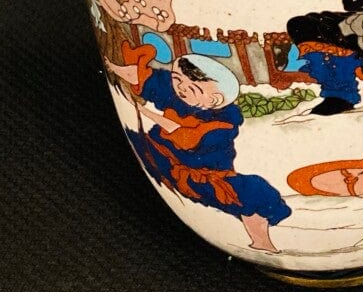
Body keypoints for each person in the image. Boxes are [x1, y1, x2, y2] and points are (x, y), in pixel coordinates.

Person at [105, 43, 290, 254]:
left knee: (251, 193)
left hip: (203, 174)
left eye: (192, 88)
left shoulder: (222, 125)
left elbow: (184, 136)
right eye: (178, 80)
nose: (181, 89)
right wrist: (114, 67)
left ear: (214, 99)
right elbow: (146, 78)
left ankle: (262, 242)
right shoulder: (177, 95)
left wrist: (143, 111)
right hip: (161, 154)